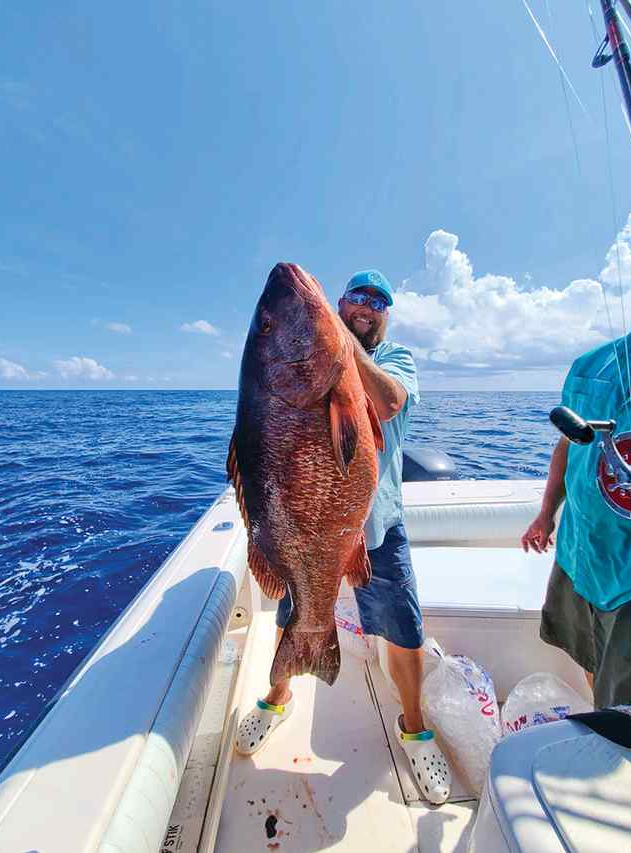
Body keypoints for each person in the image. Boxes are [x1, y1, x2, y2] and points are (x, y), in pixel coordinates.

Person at [235, 269, 451, 805]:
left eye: (379, 302)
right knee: (294, 613)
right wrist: (325, 341)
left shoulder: (395, 359)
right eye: (358, 298)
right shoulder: (304, 368)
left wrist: (334, 344)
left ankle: (415, 728)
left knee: (403, 630)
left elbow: (390, 402)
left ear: (385, 314)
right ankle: (277, 695)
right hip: (303, 532)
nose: (367, 307)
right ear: (340, 304)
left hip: (378, 527)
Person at [521, 328, 631, 709]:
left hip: (630, 578)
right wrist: (546, 514)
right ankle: (601, 721)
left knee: (626, 697)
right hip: (579, 553)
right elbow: (567, 445)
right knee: (589, 656)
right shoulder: (591, 365)